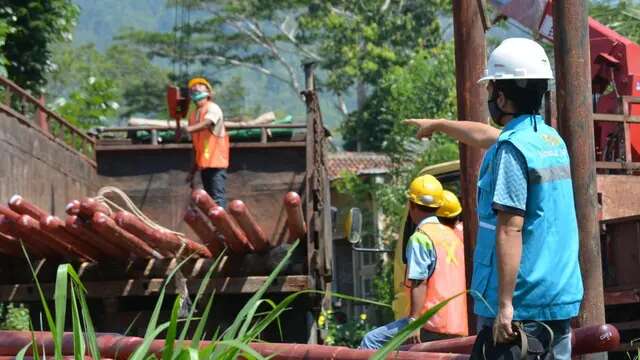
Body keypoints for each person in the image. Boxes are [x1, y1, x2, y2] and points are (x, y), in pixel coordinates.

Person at [404, 38, 583, 359]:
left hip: (521, 304)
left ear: (501, 96)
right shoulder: (547, 140)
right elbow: (488, 135)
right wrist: (441, 125)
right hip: (555, 295)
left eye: (490, 91)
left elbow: (509, 229)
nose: (489, 98)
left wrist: (505, 306)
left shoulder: (511, 151)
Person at [359, 174, 468, 350]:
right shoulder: (453, 237)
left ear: (411, 206)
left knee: (370, 341)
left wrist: (414, 322)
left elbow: (420, 282)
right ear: (438, 206)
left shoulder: (421, 237)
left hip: (431, 324)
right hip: (460, 323)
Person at [184, 77, 229, 208]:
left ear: (208, 92)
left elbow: (208, 123)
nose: (196, 87)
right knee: (209, 198)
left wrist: (188, 129)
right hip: (204, 164)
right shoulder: (193, 115)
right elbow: (195, 146)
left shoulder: (213, 108)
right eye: (193, 87)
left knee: (217, 197)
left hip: (216, 162)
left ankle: (222, 227)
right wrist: (192, 171)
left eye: (200, 86)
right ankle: (215, 226)